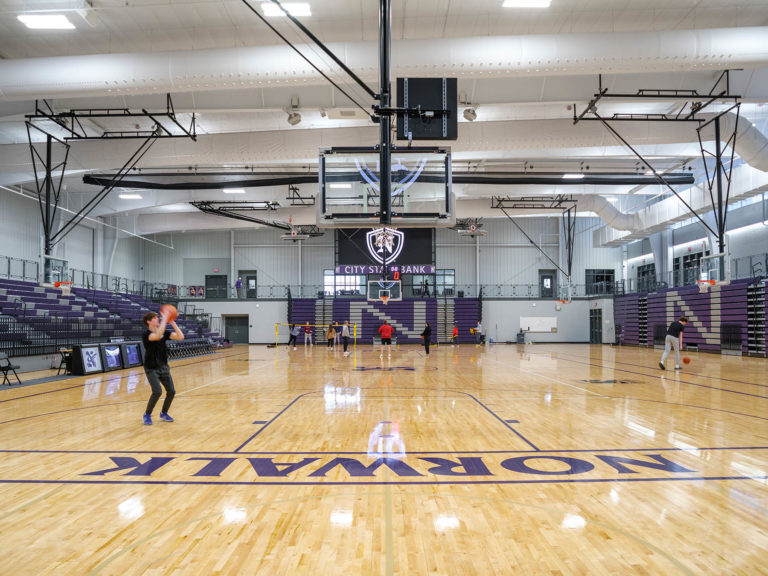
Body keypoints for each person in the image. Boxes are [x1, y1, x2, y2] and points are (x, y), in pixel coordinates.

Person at [141, 310, 184, 425]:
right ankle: (147, 414)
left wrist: (172, 322)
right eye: (155, 318)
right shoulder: (146, 334)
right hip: (151, 368)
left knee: (172, 391)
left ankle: (164, 413)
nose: (157, 319)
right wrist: (165, 319)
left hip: (163, 366)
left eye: (157, 317)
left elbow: (180, 336)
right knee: (157, 392)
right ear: (148, 321)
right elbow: (157, 335)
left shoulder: (164, 332)